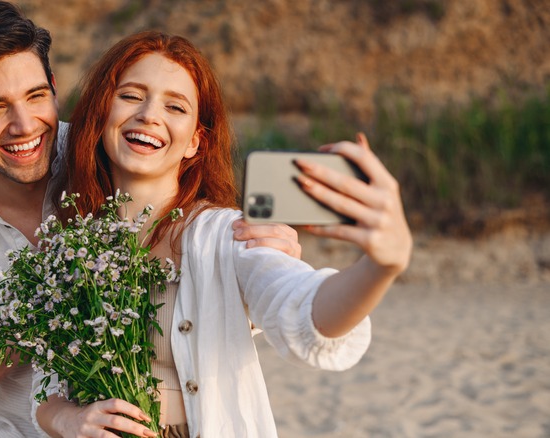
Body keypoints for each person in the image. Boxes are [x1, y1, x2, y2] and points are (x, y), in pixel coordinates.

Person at [0, 2, 303, 436]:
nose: (24, 125)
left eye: (36, 96)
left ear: (54, 87)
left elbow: (198, 253)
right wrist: (24, 325)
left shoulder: (114, 153)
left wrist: (263, 261)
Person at [35, 31, 413, 438]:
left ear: (196, 142)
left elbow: (303, 309)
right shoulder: (71, 236)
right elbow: (45, 387)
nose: (148, 114)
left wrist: (379, 267)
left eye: (175, 106)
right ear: (100, 113)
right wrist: (69, 420)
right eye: (130, 95)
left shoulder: (223, 235)